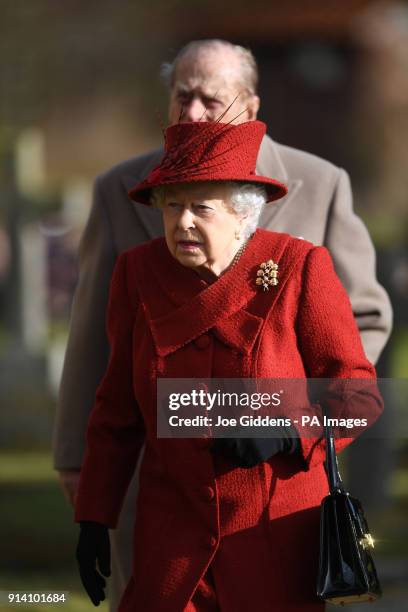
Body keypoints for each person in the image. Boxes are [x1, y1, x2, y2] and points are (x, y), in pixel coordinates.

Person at [53, 39, 392, 610]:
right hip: (170, 538)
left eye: (202, 206)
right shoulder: (137, 268)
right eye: (169, 205)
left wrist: (291, 424)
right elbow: (113, 397)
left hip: (274, 529)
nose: (181, 222)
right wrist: (94, 511)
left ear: (245, 210)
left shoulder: (303, 256)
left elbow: (356, 384)